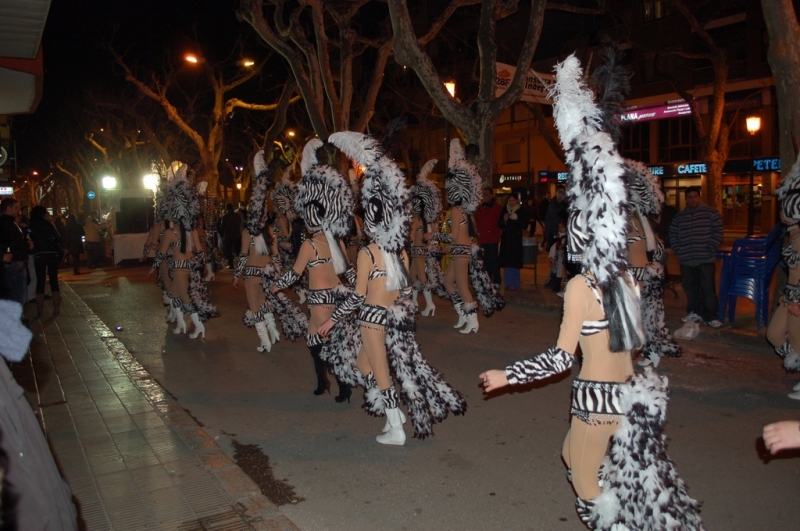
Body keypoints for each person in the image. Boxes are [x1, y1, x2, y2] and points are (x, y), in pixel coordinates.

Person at [480, 54, 703, 530]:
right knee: (570, 455)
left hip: (599, 402)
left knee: (587, 486)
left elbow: (563, 359)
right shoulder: (623, 279)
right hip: (628, 395)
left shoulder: (582, 286)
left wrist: (508, 375)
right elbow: (633, 341)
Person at [318, 131, 466, 445]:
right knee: (363, 366)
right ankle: (395, 416)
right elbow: (406, 291)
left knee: (381, 374)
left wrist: (332, 320)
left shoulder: (369, 253)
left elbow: (359, 297)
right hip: (393, 318)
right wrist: (405, 317)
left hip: (372, 321)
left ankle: (395, 426)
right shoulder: (398, 252)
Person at [272, 138, 353, 403]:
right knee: (312, 340)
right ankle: (322, 383)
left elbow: (295, 273)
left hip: (319, 300)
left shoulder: (310, 244)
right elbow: (348, 270)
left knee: (327, 345)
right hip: (334, 295)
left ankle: (344, 386)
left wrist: (276, 285)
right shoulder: (335, 240)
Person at [430, 140, 504, 334]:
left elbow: (454, 235)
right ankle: (463, 313)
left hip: (461, 252)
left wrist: (434, 235)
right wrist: (448, 248)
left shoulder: (456, 210)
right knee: (448, 282)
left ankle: (473, 319)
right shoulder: (467, 211)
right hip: (461, 249)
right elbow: (465, 235)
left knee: (462, 286)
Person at [624, 161, 682, 367]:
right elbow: (660, 249)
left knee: (630, 321)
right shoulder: (642, 222)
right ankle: (651, 354)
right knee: (647, 319)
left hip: (634, 277)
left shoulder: (626, 223)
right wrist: (656, 267)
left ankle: (627, 359)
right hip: (647, 275)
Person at [158, 164, 218, 338]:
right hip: (190, 266)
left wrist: (154, 265)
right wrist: (207, 267)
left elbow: (161, 253)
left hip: (178, 268)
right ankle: (181, 324)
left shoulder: (171, 232)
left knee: (183, 297)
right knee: (175, 295)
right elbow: (200, 250)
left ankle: (198, 325)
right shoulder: (191, 231)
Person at [234, 152, 284, 353]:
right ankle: (274, 332)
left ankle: (266, 342)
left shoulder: (247, 231)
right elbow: (276, 254)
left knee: (255, 308)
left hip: (252, 274)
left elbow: (243, 256)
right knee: (265, 303)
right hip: (267, 272)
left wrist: (237, 275)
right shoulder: (270, 230)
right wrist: (278, 271)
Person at [766, 154, 800, 398]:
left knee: (798, 341)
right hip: (791, 294)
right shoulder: (793, 235)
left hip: (798, 297)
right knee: (774, 334)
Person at [668, 186, 724, 328]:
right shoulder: (680, 217)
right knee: (690, 288)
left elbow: (718, 231)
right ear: (686, 199)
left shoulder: (711, 213)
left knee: (708, 288)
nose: (693, 199)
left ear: (699, 197)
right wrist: (678, 250)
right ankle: (695, 312)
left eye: (695, 196)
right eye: (690, 197)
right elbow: (672, 234)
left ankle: (711, 315)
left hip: (705, 258)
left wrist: (710, 248)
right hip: (686, 259)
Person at [409, 159, 443, 315]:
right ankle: (415, 303)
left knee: (421, 278)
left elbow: (409, 237)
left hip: (417, 251)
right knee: (413, 276)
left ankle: (430, 304)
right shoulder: (427, 219)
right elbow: (435, 233)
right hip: (423, 251)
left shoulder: (416, 219)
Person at [28, 206, 63, 318]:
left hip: (39, 254)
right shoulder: (48, 224)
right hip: (52, 253)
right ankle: (56, 308)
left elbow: (29, 237)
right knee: (54, 279)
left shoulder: (31, 226)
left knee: (40, 280)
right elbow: (58, 238)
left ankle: (40, 309)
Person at [0, 197, 30, 307]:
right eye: (16, 207)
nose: (18, 210)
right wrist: (26, 245)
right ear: (8, 208)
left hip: (13, 261)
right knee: (17, 295)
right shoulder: (7, 224)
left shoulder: (10, 223)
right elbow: (15, 243)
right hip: (14, 262)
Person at [497, 194, 529, 291]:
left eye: (513, 200)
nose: (511, 202)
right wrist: (504, 220)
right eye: (509, 200)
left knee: (514, 262)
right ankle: (507, 283)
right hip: (506, 240)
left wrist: (517, 219)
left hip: (516, 240)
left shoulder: (521, 211)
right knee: (507, 262)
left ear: (516, 201)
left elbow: (524, 224)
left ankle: (514, 283)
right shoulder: (504, 210)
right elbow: (499, 224)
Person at [474, 187, 503, 286]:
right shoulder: (480, 208)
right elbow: (477, 222)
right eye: (483, 195)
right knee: (485, 261)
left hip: (493, 238)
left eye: (486, 194)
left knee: (494, 260)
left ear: (491, 195)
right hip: (483, 238)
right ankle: (488, 279)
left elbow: (499, 222)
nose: (484, 197)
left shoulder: (497, 208)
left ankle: (496, 280)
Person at [544, 184, 568, 249]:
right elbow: (548, 222)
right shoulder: (551, 206)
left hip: (564, 235)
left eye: (563, 192)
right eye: (560, 192)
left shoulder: (566, 205)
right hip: (553, 235)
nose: (562, 194)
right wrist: (546, 238)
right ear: (556, 192)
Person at [221, 203, 242, 269]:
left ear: (227, 209)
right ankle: (240, 264)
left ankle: (231, 264)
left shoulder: (225, 217)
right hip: (236, 235)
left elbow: (222, 226)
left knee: (229, 251)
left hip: (228, 236)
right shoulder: (237, 216)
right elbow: (239, 223)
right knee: (238, 251)